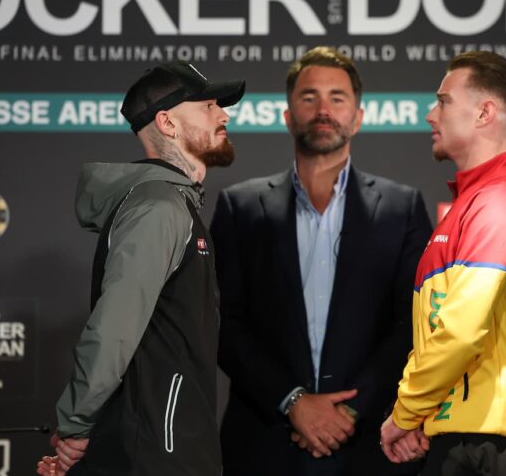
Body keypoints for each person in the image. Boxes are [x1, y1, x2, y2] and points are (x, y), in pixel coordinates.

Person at [210, 46, 432, 476]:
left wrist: (351, 412)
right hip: (263, 442)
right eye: (309, 97)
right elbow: (222, 324)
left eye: (337, 97)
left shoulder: (402, 208)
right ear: (288, 115)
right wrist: (293, 401)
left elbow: (413, 322)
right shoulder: (240, 207)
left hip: (370, 444)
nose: (323, 109)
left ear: (359, 116)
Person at [35, 61, 245, 476]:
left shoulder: (175, 202)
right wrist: (76, 422)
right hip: (157, 448)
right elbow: (114, 326)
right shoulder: (158, 207)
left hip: (168, 439)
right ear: (167, 123)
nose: (223, 114)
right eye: (207, 106)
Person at [380, 50, 506, 475]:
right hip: (466, 437)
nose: (429, 114)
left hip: (492, 446)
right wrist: (428, 416)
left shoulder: (499, 201)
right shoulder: (471, 204)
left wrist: (405, 414)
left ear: (484, 113)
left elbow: (460, 331)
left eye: (443, 101)